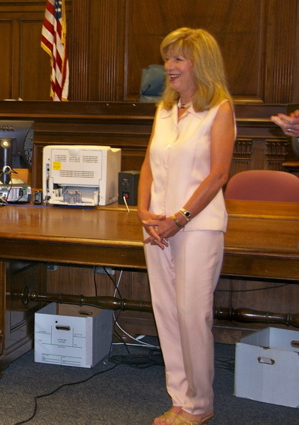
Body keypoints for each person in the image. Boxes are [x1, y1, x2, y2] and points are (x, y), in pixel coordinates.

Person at [137, 28, 236, 425]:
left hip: (196, 228)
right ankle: (180, 399)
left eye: (178, 59)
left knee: (192, 313)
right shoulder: (164, 110)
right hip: (156, 228)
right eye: (167, 58)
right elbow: (147, 163)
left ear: (201, 63)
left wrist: (179, 218)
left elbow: (218, 175)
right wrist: (143, 212)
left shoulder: (220, 109)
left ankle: (200, 404)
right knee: (167, 313)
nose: (169, 67)